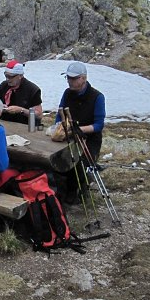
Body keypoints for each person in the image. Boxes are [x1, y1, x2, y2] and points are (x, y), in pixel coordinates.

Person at [55, 61, 106, 204]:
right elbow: (60, 114)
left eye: (73, 78)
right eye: (68, 78)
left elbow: (98, 125)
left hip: (89, 139)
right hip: (70, 135)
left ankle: (76, 190)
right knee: (57, 158)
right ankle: (61, 188)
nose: (70, 82)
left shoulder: (97, 97)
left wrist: (78, 130)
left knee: (79, 163)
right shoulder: (67, 93)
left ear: (83, 78)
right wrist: (59, 127)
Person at [0, 60, 42, 125]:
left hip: (25, 125)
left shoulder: (32, 89)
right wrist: (1, 106)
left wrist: (21, 110)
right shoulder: (3, 86)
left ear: (20, 76)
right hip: (5, 123)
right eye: (6, 76)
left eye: (11, 77)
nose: (7, 79)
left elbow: (38, 115)